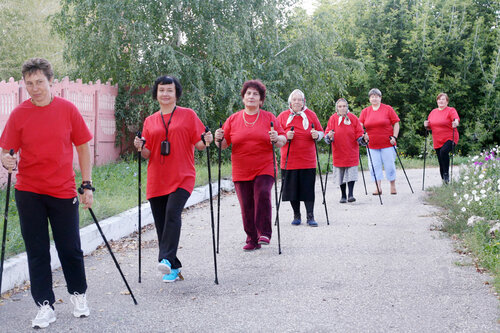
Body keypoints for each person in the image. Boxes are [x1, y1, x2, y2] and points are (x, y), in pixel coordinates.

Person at [0, 58, 93, 329]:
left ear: (51, 81)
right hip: (29, 191)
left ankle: (78, 294)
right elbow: (7, 150)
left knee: (70, 248)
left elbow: (83, 147)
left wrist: (86, 185)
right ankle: (44, 305)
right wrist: (6, 160)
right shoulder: (19, 114)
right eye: (29, 83)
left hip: (62, 190)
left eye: (39, 82)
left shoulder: (67, 110)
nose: (35, 88)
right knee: (37, 250)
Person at [133, 76, 212, 283]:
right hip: (157, 178)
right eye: (161, 90)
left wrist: (207, 140)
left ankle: (165, 258)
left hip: (182, 175)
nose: (165, 94)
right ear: (156, 94)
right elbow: (147, 154)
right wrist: (140, 146)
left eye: (169, 90)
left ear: (176, 93)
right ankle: (173, 267)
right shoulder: (150, 120)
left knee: (172, 213)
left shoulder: (188, 115)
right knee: (161, 224)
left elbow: (200, 144)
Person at [214, 80, 286, 251]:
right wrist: (218, 138)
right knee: (246, 204)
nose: (251, 97)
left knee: (262, 193)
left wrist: (276, 138)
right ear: (243, 98)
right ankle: (251, 238)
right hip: (241, 169)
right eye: (248, 93)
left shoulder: (269, 117)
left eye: (255, 94)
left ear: (261, 100)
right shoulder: (233, 119)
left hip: (265, 166)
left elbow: (282, 140)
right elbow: (223, 144)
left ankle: (264, 233)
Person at [277, 89, 324, 226]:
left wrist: (317, 135)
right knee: (292, 190)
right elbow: (276, 135)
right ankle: (296, 215)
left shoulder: (311, 115)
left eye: (299, 100)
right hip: (289, 160)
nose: (297, 102)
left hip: (307, 159)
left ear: (304, 102)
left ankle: (310, 216)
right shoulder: (283, 116)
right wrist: (286, 136)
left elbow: (321, 131)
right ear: (290, 102)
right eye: (294, 100)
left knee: (308, 189)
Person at [359, 88, 400, 195]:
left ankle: (392, 185)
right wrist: (363, 135)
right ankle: (378, 187)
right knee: (374, 166)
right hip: (372, 144)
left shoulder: (388, 109)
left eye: (376, 96)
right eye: (372, 97)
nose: (374, 98)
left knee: (389, 165)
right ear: (369, 99)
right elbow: (360, 126)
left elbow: (396, 123)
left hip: (387, 143)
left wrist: (394, 137)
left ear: (380, 98)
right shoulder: (365, 111)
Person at [324, 98, 364, 203]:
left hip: (351, 150)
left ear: (347, 107)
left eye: (344, 106)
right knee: (340, 175)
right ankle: (343, 195)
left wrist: (363, 139)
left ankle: (351, 194)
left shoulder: (353, 118)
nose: (342, 108)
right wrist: (329, 136)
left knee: (351, 173)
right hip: (338, 150)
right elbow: (327, 133)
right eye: (340, 106)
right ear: (337, 108)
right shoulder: (333, 118)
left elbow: (359, 133)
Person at [424, 93, 460, 184]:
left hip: (450, 137)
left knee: (444, 151)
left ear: (447, 101)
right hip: (437, 139)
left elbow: (456, 119)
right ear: (437, 101)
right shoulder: (433, 112)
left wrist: (455, 123)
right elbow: (430, 126)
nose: (441, 101)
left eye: (443, 99)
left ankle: (446, 174)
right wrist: (426, 125)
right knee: (440, 159)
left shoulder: (451, 110)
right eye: (439, 99)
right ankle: (444, 182)